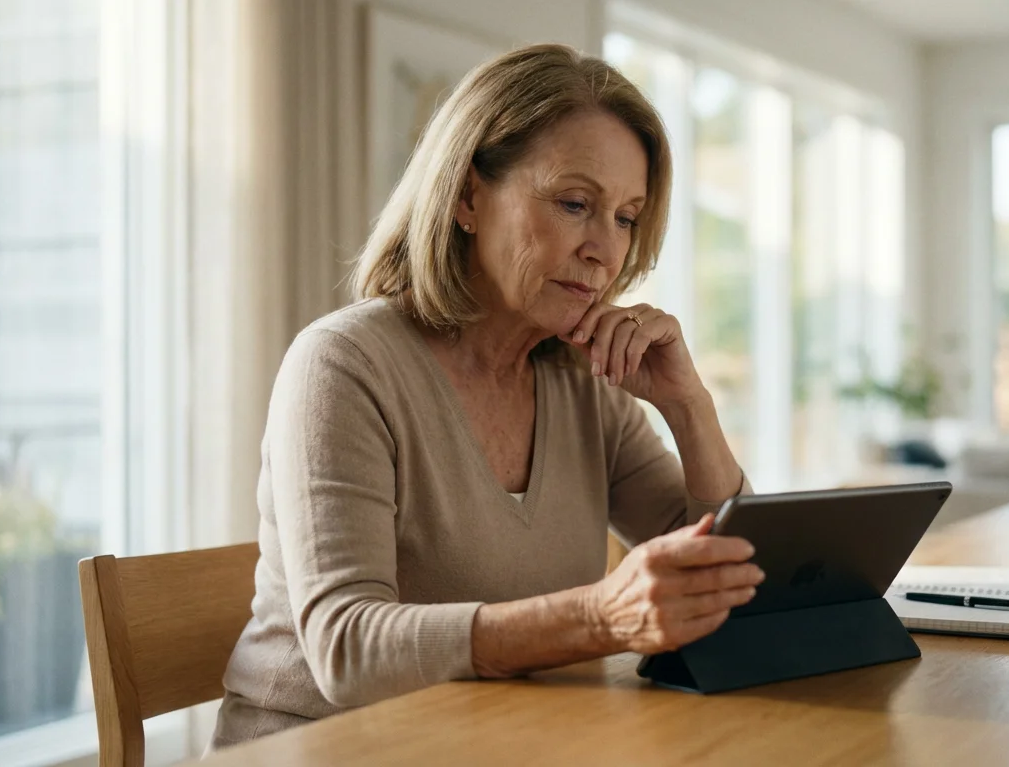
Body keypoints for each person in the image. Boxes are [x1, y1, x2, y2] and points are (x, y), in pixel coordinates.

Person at [210, 44, 762, 748]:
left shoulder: (584, 379)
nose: (605, 250)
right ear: (470, 197)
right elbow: (346, 649)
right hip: (325, 748)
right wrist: (597, 618)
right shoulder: (343, 365)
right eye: (574, 204)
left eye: (626, 217)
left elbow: (740, 583)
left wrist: (690, 407)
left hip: (502, 743)